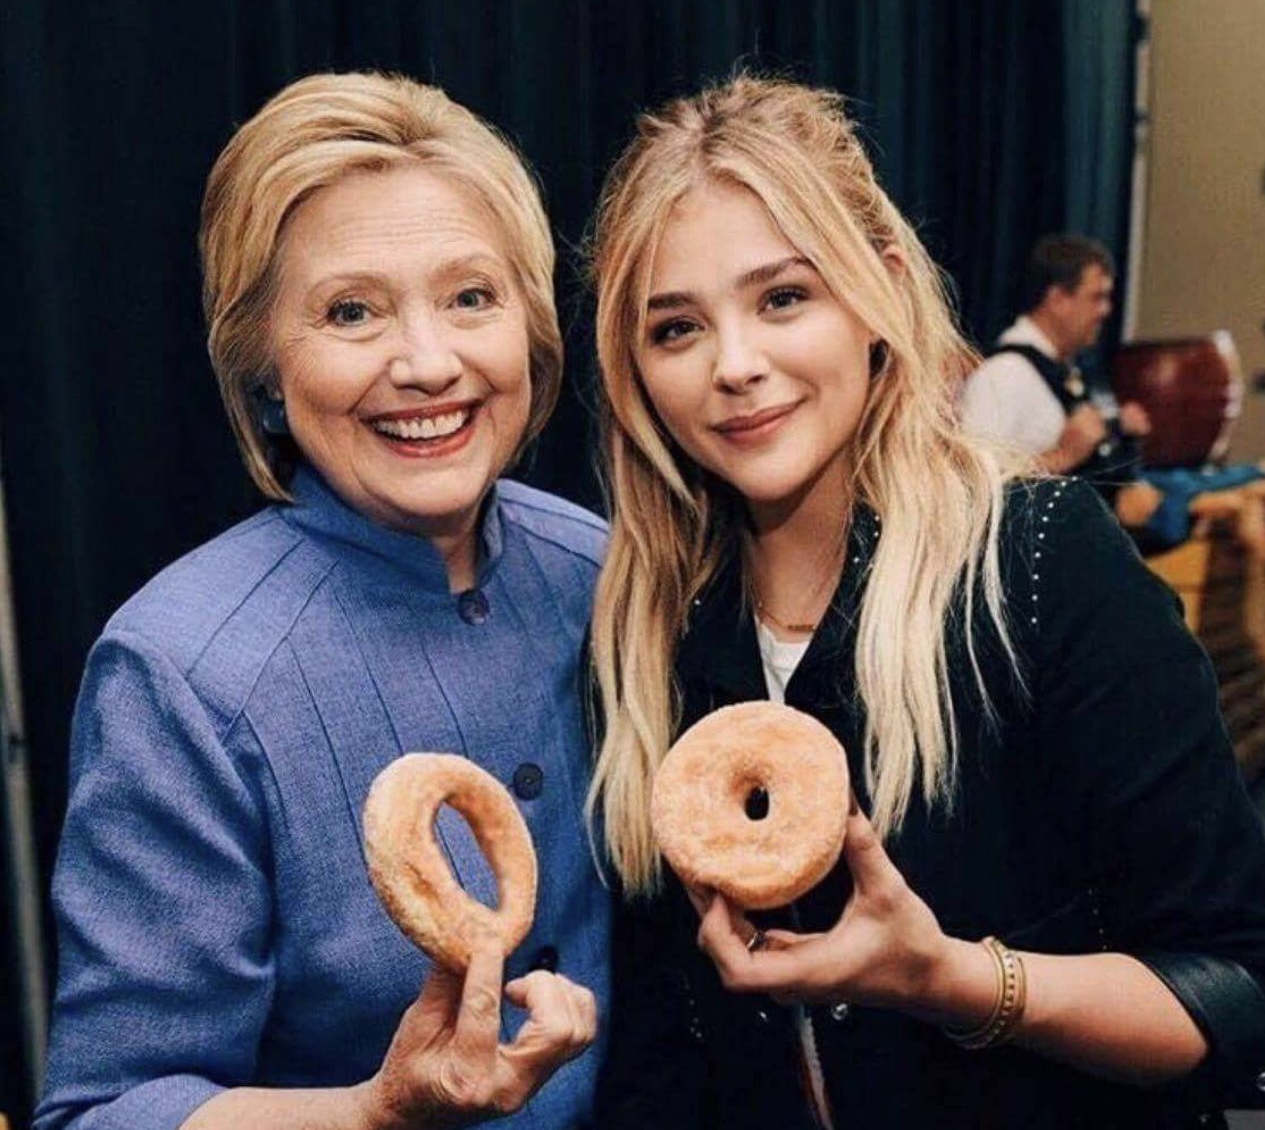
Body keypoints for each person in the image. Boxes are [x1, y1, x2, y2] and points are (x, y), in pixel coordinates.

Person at [585, 76, 1265, 1128]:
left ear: (879, 292)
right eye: (675, 328)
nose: (735, 365)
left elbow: (1234, 992)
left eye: (782, 298)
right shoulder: (647, 638)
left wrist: (950, 980)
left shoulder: (1037, 565)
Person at [35, 72, 608, 1130]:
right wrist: (373, 1112)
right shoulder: (182, 671)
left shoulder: (604, 573)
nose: (427, 363)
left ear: (529, 324)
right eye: (351, 312)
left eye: (470, 297)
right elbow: (108, 1109)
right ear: (262, 370)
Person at [961, 235, 1265, 549]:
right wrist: (1062, 456)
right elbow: (972, 484)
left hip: (1108, 513)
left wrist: (1118, 426)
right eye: (1097, 297)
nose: (1106, 310)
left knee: (1238, 482)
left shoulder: (1061, 371)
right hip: (1064, 543)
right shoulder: (1003, 375)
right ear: (1058, 299)